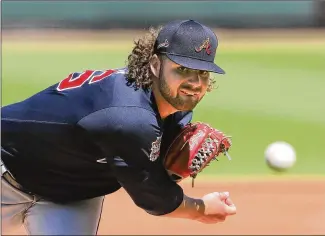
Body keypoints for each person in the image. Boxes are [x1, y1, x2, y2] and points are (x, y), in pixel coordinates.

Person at [1, 19, 237, 235]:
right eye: (182, 69)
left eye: (203, 73)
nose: (194, 83)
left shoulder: (174, 107)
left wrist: (170, 171)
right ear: (155, 65)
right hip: (6, 172)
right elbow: (155, 198)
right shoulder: (129, 116)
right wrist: (202, 208)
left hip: (71, 194)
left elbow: (154, 169)